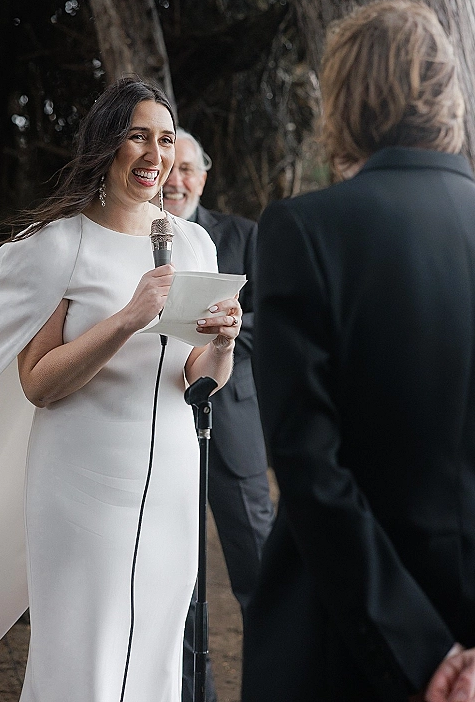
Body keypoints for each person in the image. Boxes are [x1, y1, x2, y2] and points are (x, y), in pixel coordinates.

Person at [0, 76, 243, 702]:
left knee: (158, 653)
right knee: (84, 655)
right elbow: (38, 384)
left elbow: (200, 384)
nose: (155, 156)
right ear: (106, 143)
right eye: (138, 136)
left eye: (165, 140)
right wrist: (127, 319)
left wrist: (222, 342)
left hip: (171, 484)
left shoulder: (193, 242)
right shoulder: (60, 245)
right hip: (81, 485)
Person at [244, 0, 475, 702]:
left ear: (341, 98)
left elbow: (311, 467)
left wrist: (423, 653)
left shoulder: (303, 231)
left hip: (344, 642)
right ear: (445, 92)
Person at [163, 130, 274, 701]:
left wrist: (225, 327)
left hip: (235, 430)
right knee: (179, 588)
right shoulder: (142, 240)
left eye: (188, 168)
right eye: (168, 168)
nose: (176, 179)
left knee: (263, 579)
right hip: (158, 431)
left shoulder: (244, 236)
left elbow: (276, 319)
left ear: (204, 175)